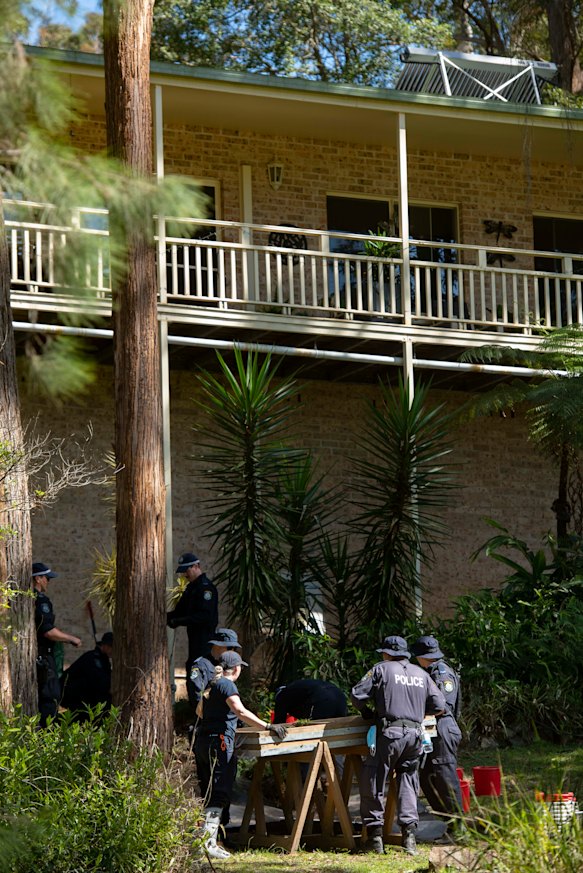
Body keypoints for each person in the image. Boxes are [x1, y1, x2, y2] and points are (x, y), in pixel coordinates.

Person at [351, 635, 446, 857]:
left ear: (387, 653)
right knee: (408, 782)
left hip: (389, 735)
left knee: (374, 780)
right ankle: (409, 838)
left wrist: (367, 713)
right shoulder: (421, 673)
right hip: (414, 736)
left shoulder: (381, 669)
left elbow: (357, 695)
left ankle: (375, 839)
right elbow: (440, 705)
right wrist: (415, 714)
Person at [195, 650, 288, 859]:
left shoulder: (211, 684)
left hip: (203, 741)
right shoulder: (227, 684)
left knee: (208, 790)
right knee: (219, 791)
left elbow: (199, 711)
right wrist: (267, 726)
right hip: (218, 742)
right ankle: (208, 844)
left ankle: (203, 842)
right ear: (236, 668)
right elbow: (240, 711)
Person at [411, 634, 465, 841]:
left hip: (443, 730)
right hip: (432, 731)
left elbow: (442, 707)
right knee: (426, 777)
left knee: (445, 779)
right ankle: (448, 824)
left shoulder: (441, 673)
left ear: (421, 656)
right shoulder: (431, 672)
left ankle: (458, 828)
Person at [33, 561, 82, 726]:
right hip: (44, 658)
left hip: (37, 656)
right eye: (47, 578)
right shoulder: (41, 601)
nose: (48, 582)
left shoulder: (27, 598)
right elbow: (48, 631)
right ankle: (45, 738)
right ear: (38, 579)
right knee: (50, 697)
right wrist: (71, 639)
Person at [167, 552, 218, 706]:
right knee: (192, 679)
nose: (185, 575)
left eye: (187, 571)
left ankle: (202, 717)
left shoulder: (206, 589)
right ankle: (194, 716)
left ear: (196, 566)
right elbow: (180, 611)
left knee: (199, 678)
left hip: (205, 642)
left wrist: (179, 621)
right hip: (194, 641)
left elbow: (204, 617)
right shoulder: (191, 589)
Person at [60, 632, 113, 721]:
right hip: (75, 698)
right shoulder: (94, 659)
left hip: (82, 697)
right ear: (106, 646)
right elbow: (102, 684)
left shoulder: (101, 658)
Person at [189, 627, 242, 712]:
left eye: (234, 648)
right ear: (217, 646)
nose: (232, 651)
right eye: (230, 647)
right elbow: (197, 697)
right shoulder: (201, 665)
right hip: (209, 719)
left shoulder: (228, 663)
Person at [273, 678, 347, 723]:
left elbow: (279, 723)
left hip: (323, 698)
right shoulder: (297, 688)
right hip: (340, 696)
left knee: (316, 732)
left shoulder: (281, 696)